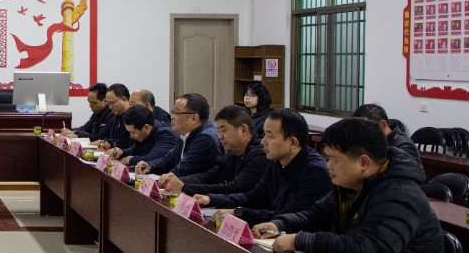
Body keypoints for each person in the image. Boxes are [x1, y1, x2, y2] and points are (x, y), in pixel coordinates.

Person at [255, 118, 461, 253]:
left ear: (363, 162)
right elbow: (316, 216)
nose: (328, 166)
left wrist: (300, 241)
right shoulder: (353, 184)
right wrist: (281, 224)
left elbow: (370, 249)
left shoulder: (400, 194)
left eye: (333, 159)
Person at [194, 108, 331, 226]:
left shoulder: (315, 172)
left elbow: (288, 216)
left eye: (270, 136)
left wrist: (239, 213)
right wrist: (211, 199)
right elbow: (254, 198)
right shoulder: (276, 163)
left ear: (292, 142)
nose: (263, 141)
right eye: (264, 134)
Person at [160, 105, 268, 197]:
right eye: (219, 132)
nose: (220, 137)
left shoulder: (260, 155)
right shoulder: (232, 154)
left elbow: (234, 187)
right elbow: (208, 176)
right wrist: (178, 180)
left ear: (243, 130)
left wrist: (185, 187)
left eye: (224, 131)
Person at [134, 93, 222, 178]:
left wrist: (165, 178)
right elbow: (169, 159)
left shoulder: (206, 138)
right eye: (173, 112)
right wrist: (150, 166)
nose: (172, 117)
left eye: (176, 113)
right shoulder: (185, 134)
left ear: (193, 118)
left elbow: (183, 169)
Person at [352, 103, 423, 167]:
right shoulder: (372, 143)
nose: (364, 136)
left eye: (367, 130)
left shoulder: (404, 146)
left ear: (383, 125)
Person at [105, 106, 178, 166]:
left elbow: (152, 158)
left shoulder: (166, 135)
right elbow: (135, 149)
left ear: (146, 127)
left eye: (133, 132)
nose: (131, 136)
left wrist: (130, 160)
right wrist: (122, 152)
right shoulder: (144, 134)